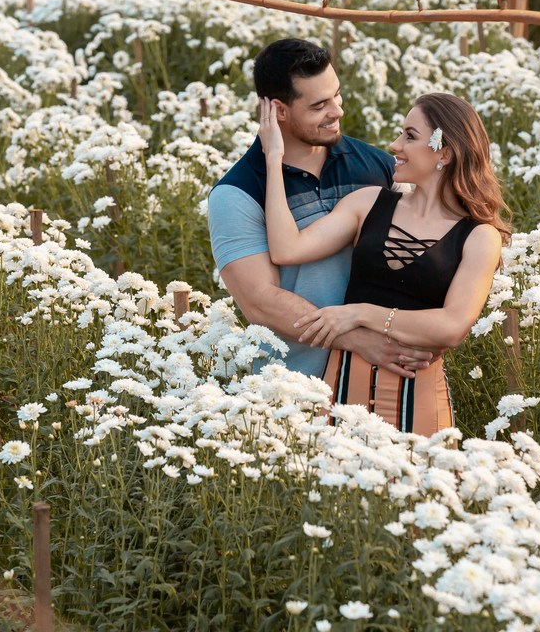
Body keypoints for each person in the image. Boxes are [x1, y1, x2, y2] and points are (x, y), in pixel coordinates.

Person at [259, 91, 510, 435]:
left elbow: (452, 326)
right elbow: (286, 249)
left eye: (410, 136)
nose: (394, 145)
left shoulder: (480, 236)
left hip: (418, 405)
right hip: (340, 394)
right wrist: (274, 159)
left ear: (446, 152)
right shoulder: (368, 202)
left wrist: (359, 314)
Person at [207, 39, 440, 379]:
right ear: (278, 110)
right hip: (293, 388)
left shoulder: (379, 167)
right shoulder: (237, 192)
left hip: (384, 378)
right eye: (319, 106)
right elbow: (261, 301)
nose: (337, 111)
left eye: (337, 95)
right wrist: (358, 340)